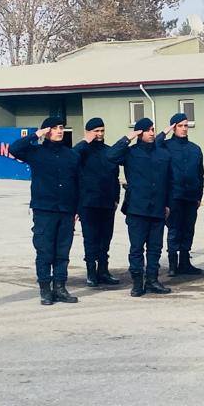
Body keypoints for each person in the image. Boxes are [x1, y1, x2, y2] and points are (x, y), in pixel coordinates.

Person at [8, 116, 81, 305]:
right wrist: (36, 134)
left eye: (61, 127)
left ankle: (60, 287)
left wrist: (77, 208)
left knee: (62, 252)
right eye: (54, 128)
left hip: (66, 210)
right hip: (44, 209)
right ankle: (45, 290)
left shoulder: (71, 155)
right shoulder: (36, 152)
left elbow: (77, 183)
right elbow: (14, 148)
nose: (59, 131)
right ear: (46, 131)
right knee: (45, 251)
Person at [107, 117, 172, 297]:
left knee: (155, 248)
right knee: (137, 248)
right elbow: (110, 156)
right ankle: (137, 282)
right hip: (137, 208)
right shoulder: (130, 153)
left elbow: (170, 181)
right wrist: (128, 137)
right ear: (139, 133)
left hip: (158, 208)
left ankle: (152, 280)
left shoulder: (163, 154)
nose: (152, 132)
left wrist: (168, 204)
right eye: (148, 130)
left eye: (153, 129)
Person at [74, 117, 122, 288]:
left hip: (107, 203)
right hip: (88, 203)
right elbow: (72, 161)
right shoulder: (81, 151)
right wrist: (84, 142)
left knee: (105, 239)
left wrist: (116, 198)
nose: (100, 134)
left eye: (102, 131)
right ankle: (91, 272)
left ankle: (103, 270)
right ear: (88, 132)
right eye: (96, 131)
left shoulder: (109, 152)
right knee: (91, 239)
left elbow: (115, 177)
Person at [158, 112, 204, 276]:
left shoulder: (195, 149)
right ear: (174, 128)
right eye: (180, 126)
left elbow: (200, 174)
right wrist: (165, 131)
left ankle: (185, 262)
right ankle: (172, 264)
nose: (184, 129)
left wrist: (199, 196)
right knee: (174, 229)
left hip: (191, 196)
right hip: (174, 195)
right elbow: (153, 145)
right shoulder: (165, 146)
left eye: (186, 125)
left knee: (188, 229)